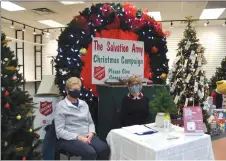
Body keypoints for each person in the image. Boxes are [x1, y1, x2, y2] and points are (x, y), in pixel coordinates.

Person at [54, 77, 110, 160]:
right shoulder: (61, 106)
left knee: (104, 149)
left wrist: (91, 133)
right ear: (67, 90)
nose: (76, 91)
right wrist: (78, 137)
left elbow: (90, 122)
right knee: (90, 153)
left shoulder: (83, 104)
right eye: (73, 89)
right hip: (69, 138)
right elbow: (59, 131)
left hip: (87, 136)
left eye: (78, 89)